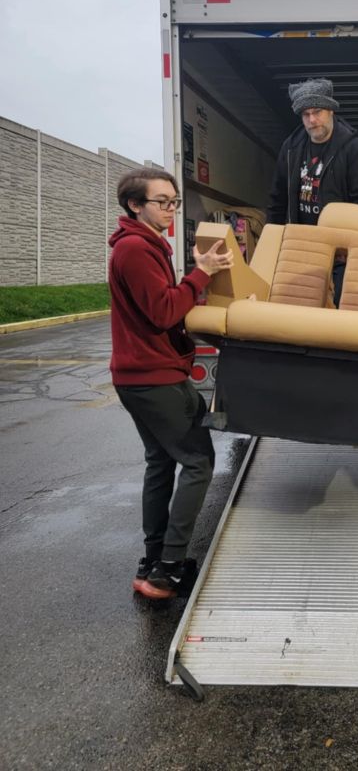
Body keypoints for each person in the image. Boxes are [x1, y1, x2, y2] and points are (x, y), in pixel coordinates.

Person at [109, 167, 233, 600]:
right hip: (153, 377)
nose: (171, 209)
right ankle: (169, 569)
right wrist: (200, 275)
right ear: (135, 204)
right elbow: (163, 312)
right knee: (198, 461)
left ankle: (154, 561)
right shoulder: (135, 251)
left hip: (143, 375)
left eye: (174, 202)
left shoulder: (146, 245)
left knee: (161, 462)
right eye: (162, 201)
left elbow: (162, 306)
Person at [266, 77, 358, 303]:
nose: (312, 120)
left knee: (337, 315)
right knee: (297, 314)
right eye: (305, 114)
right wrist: (272, 245)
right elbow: (277, 200)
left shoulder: (355, 150)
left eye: (317, 111)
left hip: (340, 255)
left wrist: (351, 249)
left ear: (330, 110)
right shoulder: (291, 148)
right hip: (301, 249)